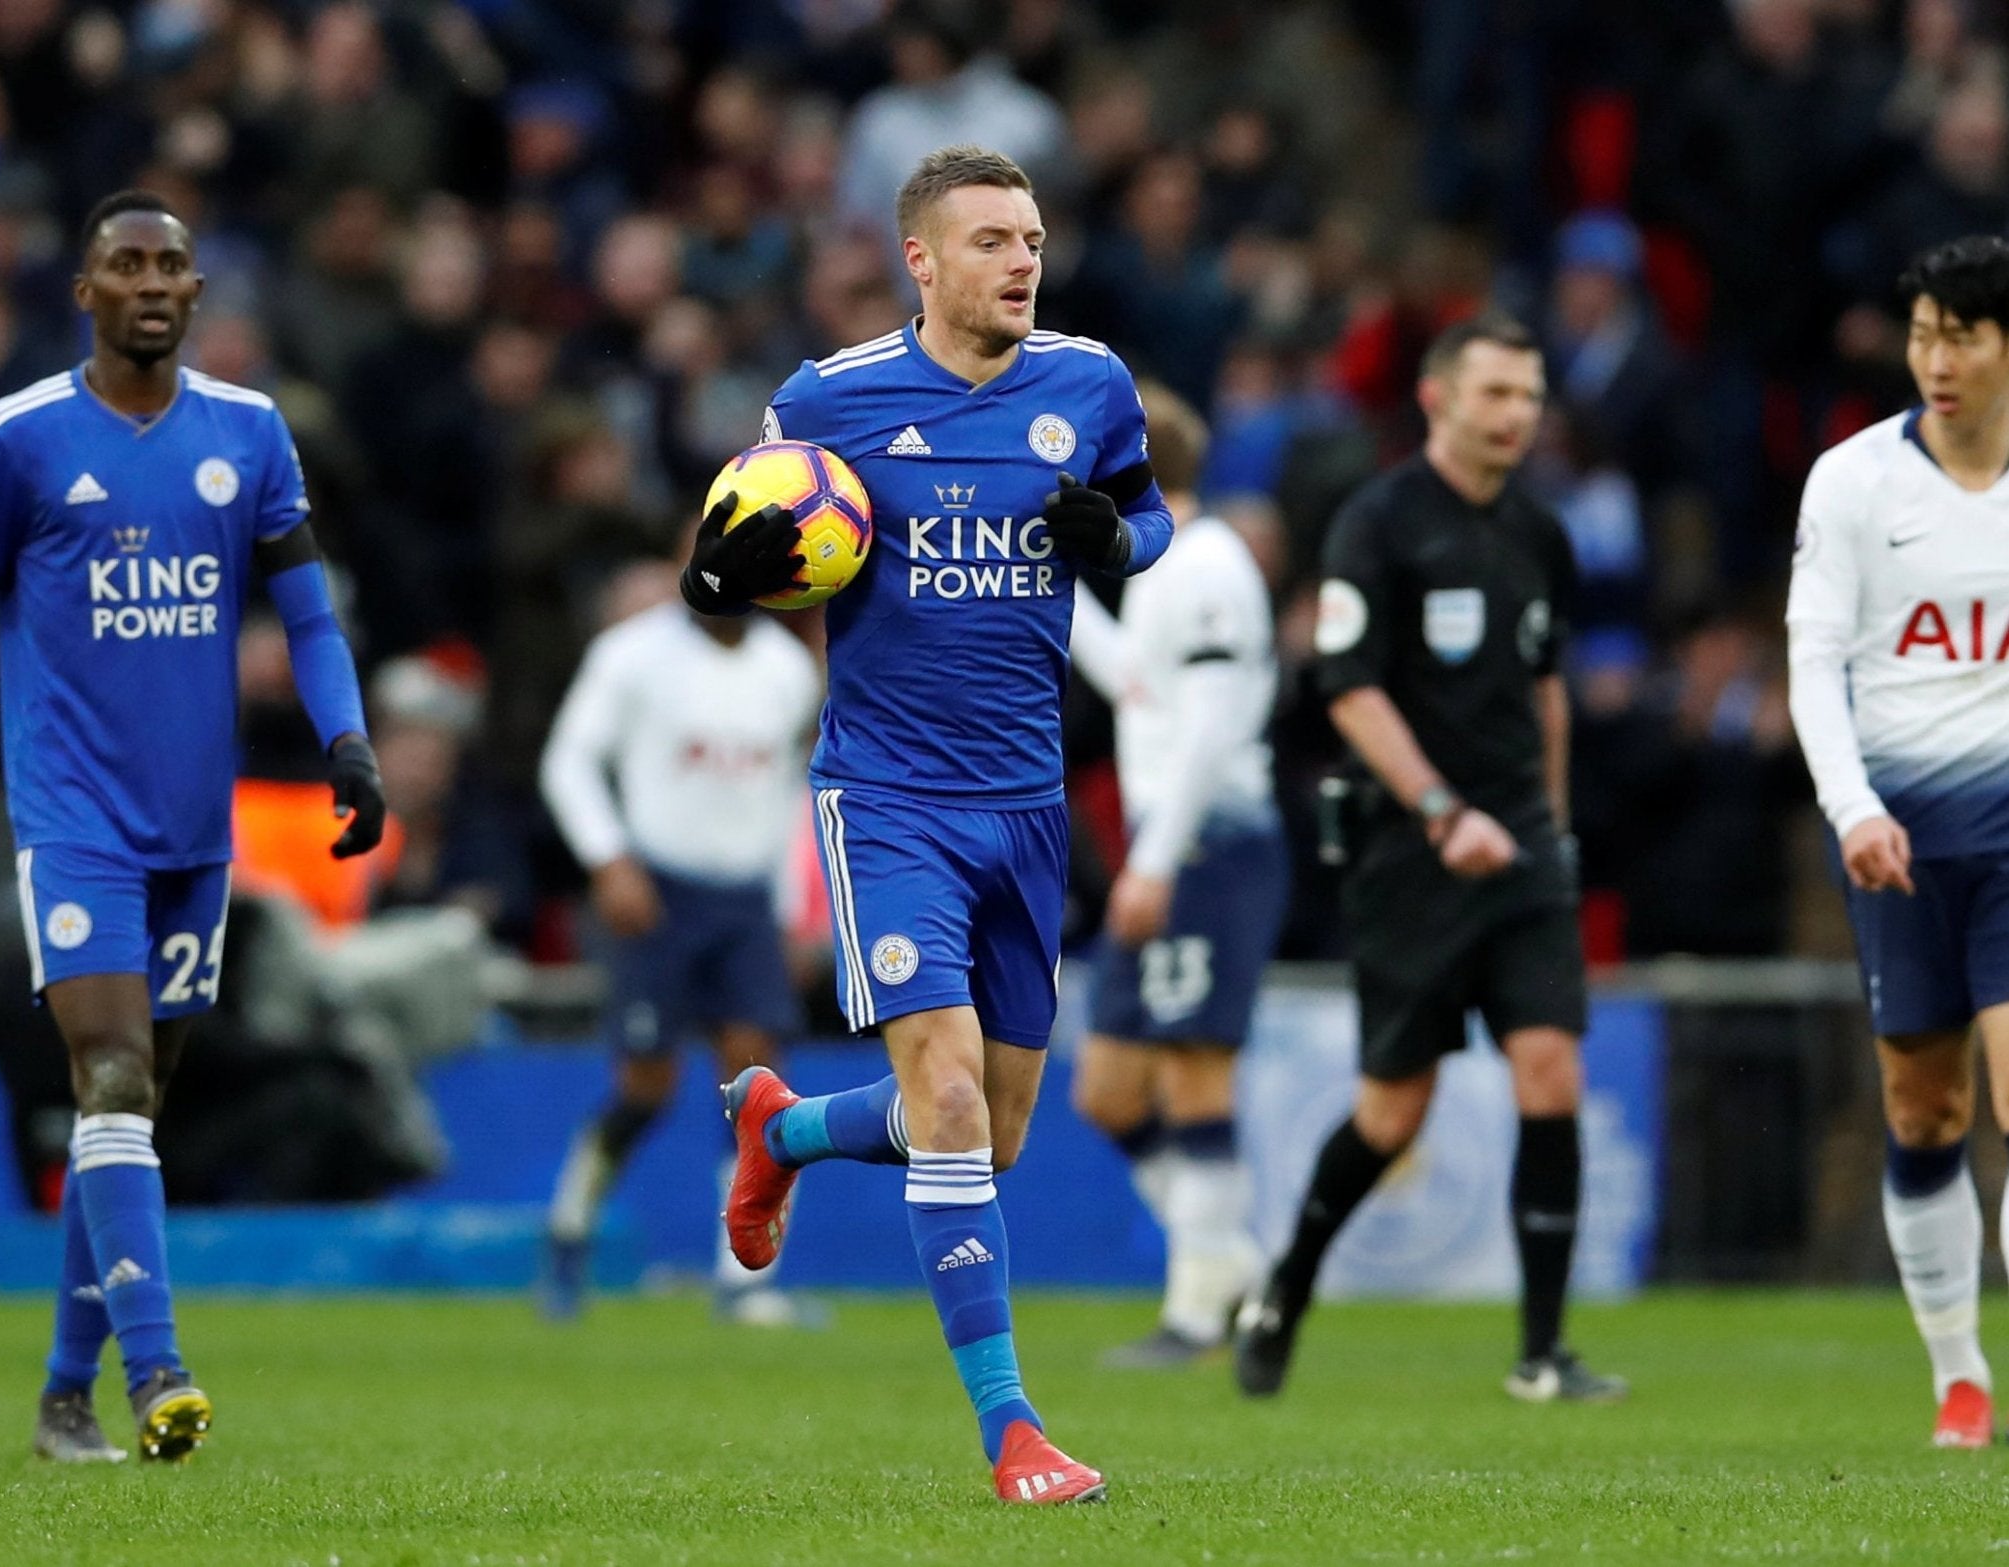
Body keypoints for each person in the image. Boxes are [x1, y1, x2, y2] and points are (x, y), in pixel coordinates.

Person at [680, 144, 1171, 1504]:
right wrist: (720, 567)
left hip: (1029, 804)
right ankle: (1014, 1431)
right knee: (946, 1097)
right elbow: (740, 548)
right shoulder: (829, 400)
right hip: (888, 799)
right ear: (922, 260)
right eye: (993, 241)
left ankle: (780, 1130)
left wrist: (1115, 542)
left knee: (992, 1132)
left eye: (1031, 237)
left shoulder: (1089, 386)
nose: (1022, 260)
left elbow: (1150, 518)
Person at [0, 190, 386, 1463]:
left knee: (127, 1110)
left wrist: (346, 737)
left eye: (169, 266)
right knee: (111, 1071)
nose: (149, 283)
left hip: (196, 827)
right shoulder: (17, 438)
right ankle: (158, 1370)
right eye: (124, 263)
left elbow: (306, 616)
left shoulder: (250, 432)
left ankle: (63, 1396)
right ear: (85, 292)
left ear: (193, 294)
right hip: (72, 821)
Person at [1234, 313, 1626, 1406]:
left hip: (1523, 854)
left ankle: (1541, 1354)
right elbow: (1349, 688)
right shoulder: (1380, 523)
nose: (1517, 416)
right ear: (1437, 398)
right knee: (1390, 1111)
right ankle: (1286, 1287)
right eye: (1495, 393)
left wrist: (1547, 825)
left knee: (1551, 1071)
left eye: (1530, 396)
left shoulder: (1541, 534)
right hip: (1411, 853)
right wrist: (1443, 811)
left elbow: (1546, 686)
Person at [1787, 235, 2009, 1450]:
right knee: (1927, 1111)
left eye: (1961, 336)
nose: (1936, 360)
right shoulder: (1854, 481)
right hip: (1899, 833)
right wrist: (1852, 807)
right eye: (1922, 334)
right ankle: (1959, 1378)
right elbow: (1814, 658)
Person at [1065, 380, 1285, 1368]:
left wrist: (1150, 863)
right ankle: (1233, 1262)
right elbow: (1140, 688)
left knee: (1194, 1067)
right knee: (1108, 1090)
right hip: (1174, 843)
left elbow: (1202, 736)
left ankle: (1198, 1309)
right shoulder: (1164, 566)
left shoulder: (1204, 567)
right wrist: (1044, 580)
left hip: (1206, 843)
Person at [536, 577, 822, 1325]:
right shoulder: (632, 654)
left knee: (759, 1082)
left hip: (745, 900)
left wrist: (789, 907)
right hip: (655, 891)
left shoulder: (785, 670)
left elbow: (794, 791)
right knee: (645, 1086)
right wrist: (608, 859)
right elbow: (567, 761)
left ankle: (747, 1277)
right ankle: (570, 1225)